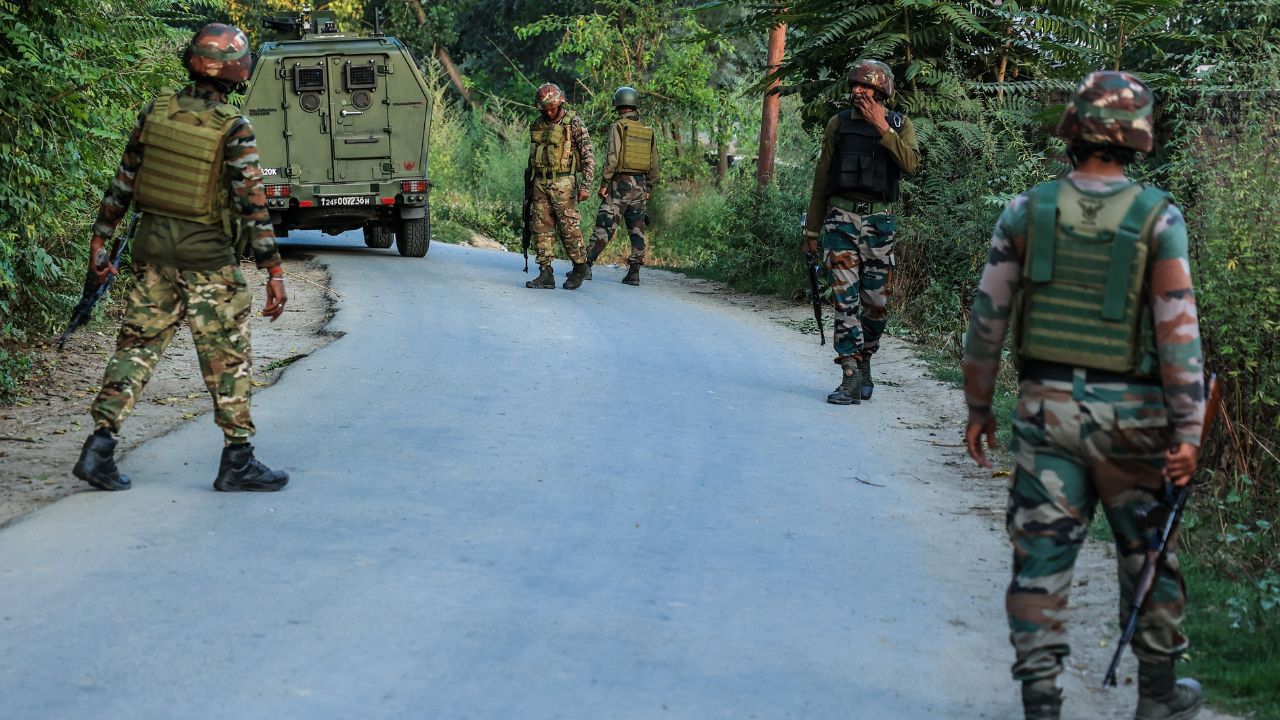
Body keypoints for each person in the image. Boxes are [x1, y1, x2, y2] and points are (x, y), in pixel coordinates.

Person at [962, 71, 1206, 720]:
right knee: (1149, 554)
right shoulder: (1160, 217)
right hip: (1137, 422)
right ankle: (1158, 697)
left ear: (1073, 130)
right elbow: (1179, 331)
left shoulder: (1026, 210)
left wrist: (979, 408)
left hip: (1046, 414)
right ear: (1138, 138)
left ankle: (1040, 700)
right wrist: (1189, 430)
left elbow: (986, 322)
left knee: (1040, 558)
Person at [72, 23, 290, 493]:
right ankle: (238, 460)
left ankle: (99, 448)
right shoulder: (233, 127)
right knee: (226, 358)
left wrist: (101, 237)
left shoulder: (157, 111)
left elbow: (124, 181)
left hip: (152, 253)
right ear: (235, 70)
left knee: (136, 350)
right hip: (208, 259)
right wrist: (273, 270)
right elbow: (253, 203)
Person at [803, 59, 919, 405]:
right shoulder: (838, 124)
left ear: (880, 91)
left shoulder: (899, 124)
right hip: (841, 220)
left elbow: (911, 165)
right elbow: (822, 178)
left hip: (880, 225)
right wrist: (812, 228)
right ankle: (849, 374)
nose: (856, 91)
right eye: (854, 85)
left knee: (876, 304)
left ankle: (866, 359)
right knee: (844, 299)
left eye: (864, 86)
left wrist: (883, 128)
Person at [524, 83, 595, 290]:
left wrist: (586, 185)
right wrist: (529, 186)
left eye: (552, 108)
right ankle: (546, 272)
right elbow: (533, 157)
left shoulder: (573, 123)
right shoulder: (538, 123)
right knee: (540, 228)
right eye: (544, 109)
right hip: (540, 182)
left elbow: (588, 156)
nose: (549, 111)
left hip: (564, 181)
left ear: (560, 103)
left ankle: (580, 267)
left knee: (569, 228)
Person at [586, 86, 659, 286]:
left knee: (605, 224)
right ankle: (634, 272)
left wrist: (604, 182)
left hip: (621, 184)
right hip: (641, 185)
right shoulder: (647, 130)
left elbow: (612, 157)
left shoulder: (618, 126)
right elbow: (655, 163)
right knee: (637, 229)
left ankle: (586, 266)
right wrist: (649, 187)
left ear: (618, 105)